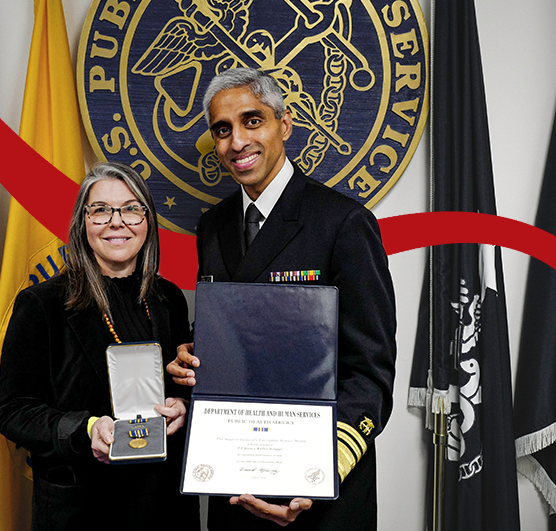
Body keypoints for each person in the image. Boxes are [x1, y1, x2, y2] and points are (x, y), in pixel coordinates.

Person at [168, 67, 397, 529]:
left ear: (285, 124)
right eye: (222, 129)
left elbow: (370, 371)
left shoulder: (343, 223)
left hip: (318, 493)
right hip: (235, 483)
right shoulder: (213, 227)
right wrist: (192, 358)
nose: (237, 142)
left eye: (253, 121)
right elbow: (229, 333)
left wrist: (318, 473)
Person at [0, 161, 199, 530]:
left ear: (148, 221)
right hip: (82, 508)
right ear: (82, 223)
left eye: (131, 209)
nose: (117, 221)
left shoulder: (169, 298)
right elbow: (14, 412)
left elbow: (178, 382)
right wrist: (86, 428)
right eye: (101, 210)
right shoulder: (42, 304)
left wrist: (182, 405)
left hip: (163, 504)